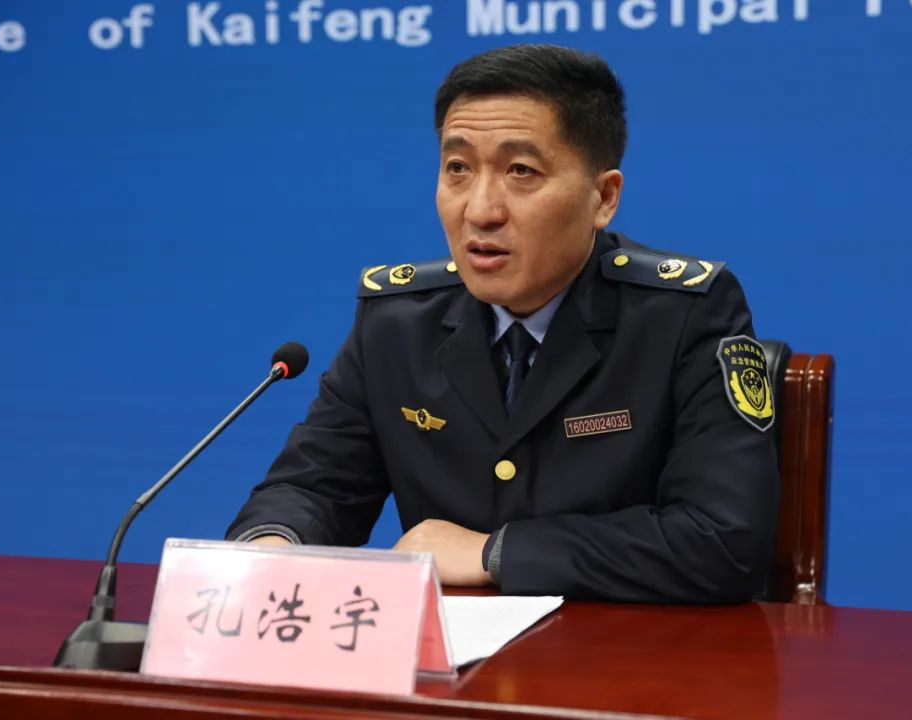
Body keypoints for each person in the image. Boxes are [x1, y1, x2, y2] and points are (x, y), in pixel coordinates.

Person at [226, 44, 778, 604]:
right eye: (458, 169)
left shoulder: (682, 315)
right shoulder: (397, 323)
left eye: (521, 171)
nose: (480, 210)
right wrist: (274, 545)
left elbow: (723, 541)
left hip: (624, 651)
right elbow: (313, 488)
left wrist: (497, 552)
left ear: (603, 197)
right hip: (447, 654)